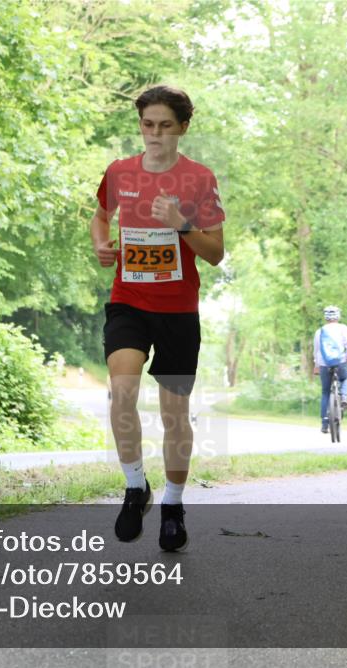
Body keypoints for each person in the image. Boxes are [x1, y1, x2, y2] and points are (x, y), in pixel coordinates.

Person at [90, 85, 225, 552]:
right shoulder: (120, 171)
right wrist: (102, 244)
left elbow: (215, 253)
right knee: (122, 392)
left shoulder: (199, 179)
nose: (155, 134)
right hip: (129, 302)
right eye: (148, 124)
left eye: (165, 125)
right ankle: (134, 487)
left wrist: (182, 224)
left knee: (173, 415)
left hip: (177, 311)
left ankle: (173, 503)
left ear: (183, 127)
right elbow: (100, 216)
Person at [313, 305, 347, 434]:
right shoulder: (343, 329)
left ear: (326, 317)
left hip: (323, 364)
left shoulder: (319, 331)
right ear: (338, 316)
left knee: (325, 392)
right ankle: (344, 397)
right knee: (344, 378)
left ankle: (325, 423)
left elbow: (316, 351)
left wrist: (316, 365)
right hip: (340, 362)